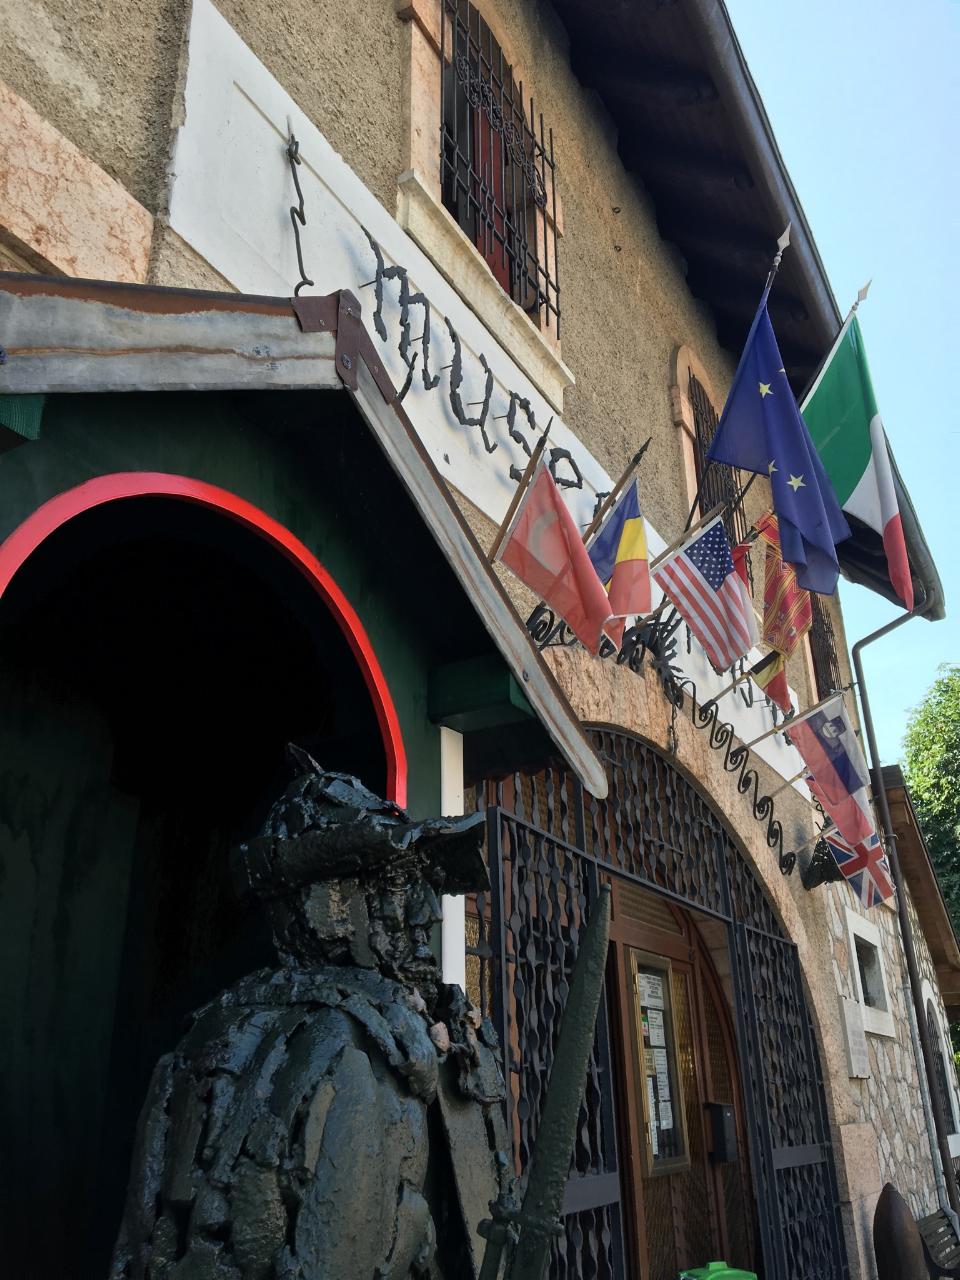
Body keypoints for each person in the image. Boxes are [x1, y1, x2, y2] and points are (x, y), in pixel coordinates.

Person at [110, 748, 513, 1279]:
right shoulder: (276, 1043)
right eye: (397, 884)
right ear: (326, 907)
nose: (427, 911)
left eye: (424, 885)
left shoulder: (433, 1031)